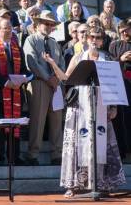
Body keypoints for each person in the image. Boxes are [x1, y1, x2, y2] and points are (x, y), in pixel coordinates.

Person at [43, 26, 125, 198]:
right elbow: (66, 78)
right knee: (77, 145)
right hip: (80, 108)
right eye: (91, 37)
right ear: (86, 39)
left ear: (102, 41)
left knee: (103, 143)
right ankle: (74, 185)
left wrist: (114, 107)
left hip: (101, 107)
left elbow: (113, 83)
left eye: (98, 37)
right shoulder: (79, 57)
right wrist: (52, 63)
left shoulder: (107, 58)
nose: (94, 40)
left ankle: (103, 183)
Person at [23, 10, 65, 165]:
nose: (48, 26)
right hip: (39, 82)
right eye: (46, 23)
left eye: (51, 24)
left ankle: (57, 154)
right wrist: (49, 79)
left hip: (55, 85)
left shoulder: (54, 43)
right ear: (38, 24)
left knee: (56, 120)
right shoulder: (31, 40)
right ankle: (33, 154)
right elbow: (32, 62)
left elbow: (61, 64)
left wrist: (57, 79)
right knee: (37, 120)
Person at [0, 19, 27, 166]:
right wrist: (6, 82)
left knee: (15, 125)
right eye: (5, 28)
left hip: (15, 92)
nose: (8, 31)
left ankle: (14, 156)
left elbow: (24, 70)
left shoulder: (18, 48)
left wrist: (24, 79)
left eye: (10, 28)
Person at [109, 19, 131, 162]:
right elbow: (109, 64)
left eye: (127, 30)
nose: (125, 33)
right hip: (121, 84)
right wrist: (121, 59)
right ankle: (123, 152)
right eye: (122, 31)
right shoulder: (114, 45)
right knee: (122, 119)